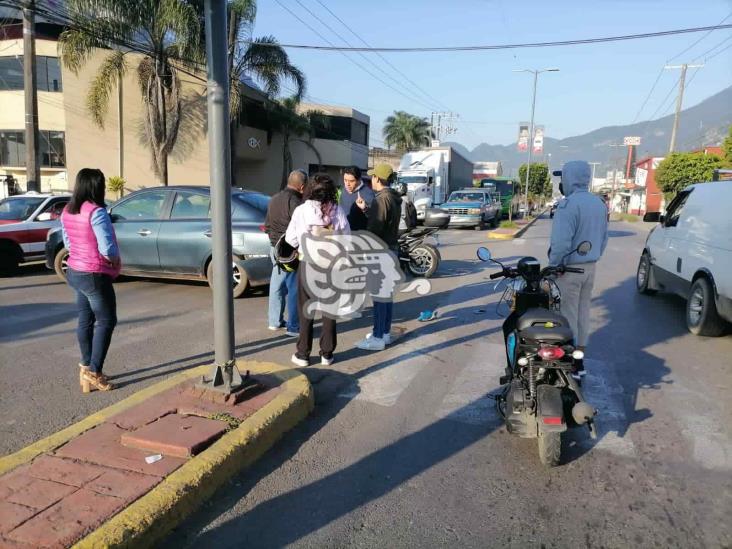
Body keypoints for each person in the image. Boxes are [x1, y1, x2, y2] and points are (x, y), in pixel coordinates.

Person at [61, 168, 121, 393]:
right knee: (106, 321)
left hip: (75, 270)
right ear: (97, 187)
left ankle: (86, 366)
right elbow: (107, 248)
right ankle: (94, 371)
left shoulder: (68, 210)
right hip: (94, 273)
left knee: (85, 319)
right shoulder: (96, 212)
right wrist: (114, 261)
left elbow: (68, 243)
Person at [549, 161, 609, 379]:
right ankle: (579, 361)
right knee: (583, 313)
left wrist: (554, 267)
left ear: (569, 178)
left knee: (567, 314)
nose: (561, 183)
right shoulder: (599, 204)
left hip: (568, 269)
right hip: (590, 268)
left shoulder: (568, 205)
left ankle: (569, 364)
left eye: (562, 178)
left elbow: (561, 244)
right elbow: (603, 240)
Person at [286, 173, 350, 367]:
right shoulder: (338, 211)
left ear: (309, 189)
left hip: (309, 264)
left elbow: (291, 239)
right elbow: (346, 239)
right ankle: (327, 354)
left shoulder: (301, 211)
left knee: (305, 310)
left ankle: (303, 354)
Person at [355, 163, 402, 351]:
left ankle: (377, 337)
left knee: (379, 296)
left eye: (373, 177)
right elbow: (383, 221)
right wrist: (367, 210)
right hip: (391, 249)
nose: (371, 180)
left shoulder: (381, 199)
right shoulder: (393, 198)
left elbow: (376, 228)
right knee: (387, 296)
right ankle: (384, 333)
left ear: (377, 179)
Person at [264, 169, 306, 335]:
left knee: (276, 285)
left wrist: (274, 240)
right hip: (290, 250)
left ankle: (274, 321)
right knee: (294, 287)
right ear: (302, 187)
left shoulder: (273, 199)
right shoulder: (296, 202)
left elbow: (266, 225)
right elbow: (299, 229)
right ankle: (293, 326)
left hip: (274, 246)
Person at [339, 165, 374, 231]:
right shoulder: (344, 190)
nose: (347, 184)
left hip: (358, 236)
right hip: (343, 233)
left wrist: (365, 209)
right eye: (345, 180)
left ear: (359, 180)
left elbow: (374, 218)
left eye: (351, 181)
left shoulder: (368, 194)